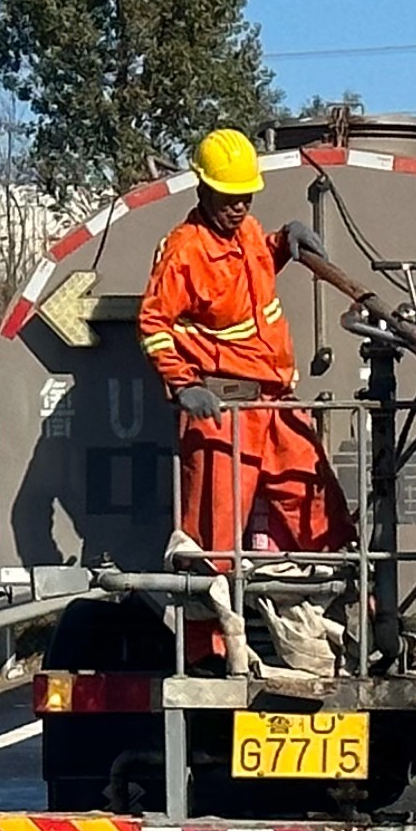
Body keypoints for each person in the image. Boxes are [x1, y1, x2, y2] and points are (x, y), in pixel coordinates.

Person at [140, 130, 355, 590]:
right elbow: (154, 325)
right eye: (229, 196)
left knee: (318, 508)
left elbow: (250, 277)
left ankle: (352, 612)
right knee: (212, 539)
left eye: (246, 197)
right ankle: (208, 649)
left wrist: (285, 241)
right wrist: (183, 385)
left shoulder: (250, 234)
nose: (239, 206)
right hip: (222, 410)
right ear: (203, 190)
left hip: (275, 403)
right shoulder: (185, 251)